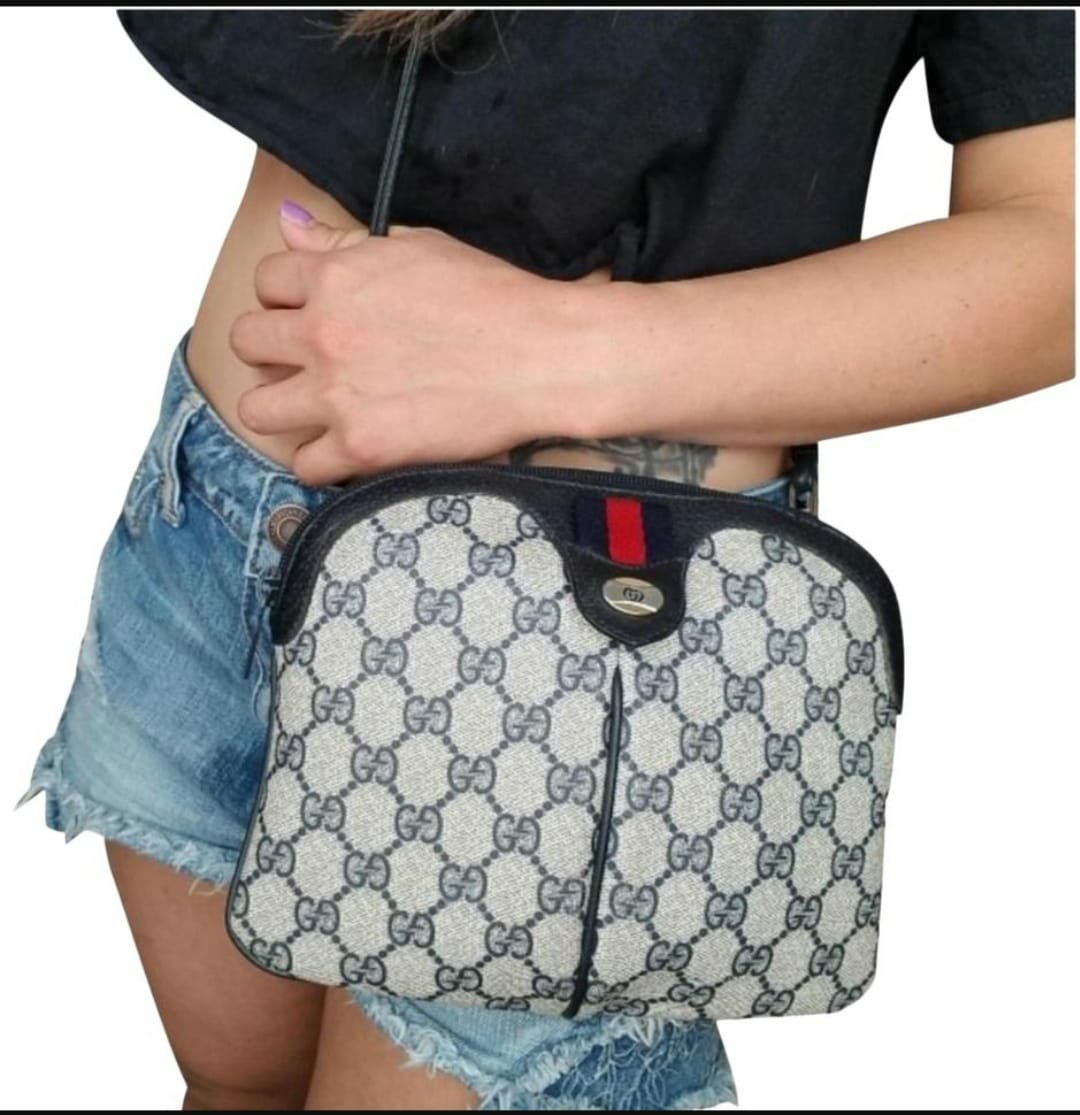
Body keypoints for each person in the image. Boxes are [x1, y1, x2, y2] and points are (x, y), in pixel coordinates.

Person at [17, 9, 1074, 1111]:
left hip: (592, 636)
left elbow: (1059, 249)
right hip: (223, 513)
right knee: (233, 1085)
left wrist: (542, 360)